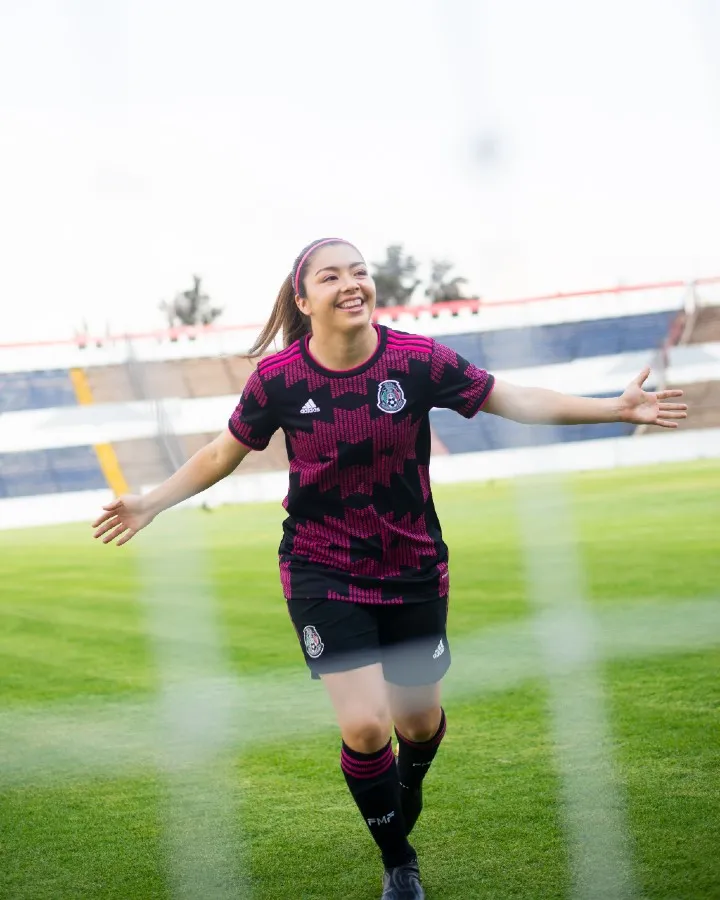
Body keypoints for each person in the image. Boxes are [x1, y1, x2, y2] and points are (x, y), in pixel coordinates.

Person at [92, 238, 688, 900]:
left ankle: (407, 781)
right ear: (303, 299)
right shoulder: (280, 379)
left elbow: (510, 399)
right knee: (366, 725)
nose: (351, 284)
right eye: (331, 276)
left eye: (359, 273)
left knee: (417, 725)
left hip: (412, 570)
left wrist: (615, 408)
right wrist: (149, 502)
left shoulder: (417, 360)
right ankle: (399, 862)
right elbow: (219, 455)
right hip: (321, 567)